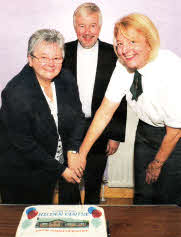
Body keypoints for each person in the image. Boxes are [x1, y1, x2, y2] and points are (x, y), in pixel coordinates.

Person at [79, 13, 181, 205]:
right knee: (142, 196)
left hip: (174, 138)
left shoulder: (171, 68)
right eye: (119, 44)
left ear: (149, 42)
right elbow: (105, 111)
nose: (124, 50)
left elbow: (175, 130)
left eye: (132, 42)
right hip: (145, 131)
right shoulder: (123, 65)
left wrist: (156, 164)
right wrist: (82, 154)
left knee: (168, 200)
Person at [0, 29, 85, 204]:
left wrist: (72, 150)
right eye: (43, 58)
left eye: (56, 58)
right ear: (30, 60)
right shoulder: (15, 93)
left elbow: (78, 117)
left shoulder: (66, 78)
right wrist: (62, 171)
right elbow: (25, 145)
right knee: (26, 220)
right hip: (23, 170)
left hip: (54, 162)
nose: (51, 64)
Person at [63, 2, 127, 204]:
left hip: (101, 129)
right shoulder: (63, 52)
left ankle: (92, 221)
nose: (87, 32)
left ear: (100, 27)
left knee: (94, 180)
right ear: (75, 27)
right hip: (69, 129)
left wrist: (116, 135)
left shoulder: (114, 55)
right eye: (82, 26)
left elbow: (121, 99)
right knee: (69, 182)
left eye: (92, 26)